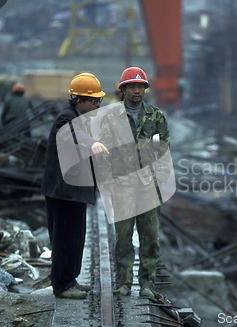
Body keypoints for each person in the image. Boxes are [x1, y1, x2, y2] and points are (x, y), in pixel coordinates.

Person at [103, 67, 170, 298]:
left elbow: (163, 149)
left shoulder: (156, 116)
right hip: (122, 184)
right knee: (123, 236)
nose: (137, 90)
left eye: (140, 86)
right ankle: (123, 283)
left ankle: (147, 284)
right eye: (132, 86)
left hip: (148, 185)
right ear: (123, 90)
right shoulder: (111, 117)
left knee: (150, 237)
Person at [41, 72, 108, 299]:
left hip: (74, 191)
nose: (98, 104)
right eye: (94, 100)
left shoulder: (82, 118)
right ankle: (61, 285)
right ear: (79, 100)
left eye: (99, 100)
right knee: (64, 239)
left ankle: (71, 279)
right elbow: (75, 136)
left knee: (76, 238)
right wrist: (93, 144)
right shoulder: (66, 119)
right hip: (62, 192)